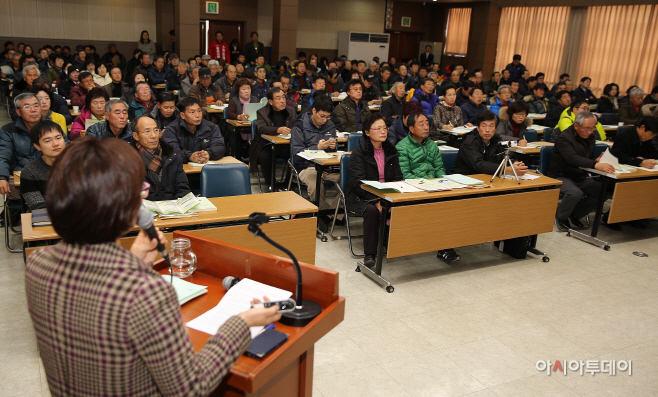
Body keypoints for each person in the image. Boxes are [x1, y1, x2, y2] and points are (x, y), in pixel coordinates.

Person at [26, 135, 280, 397]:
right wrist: (240, 323)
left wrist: (133, 263)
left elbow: (90, 308)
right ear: (124, 206)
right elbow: (190, 388)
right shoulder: (146, 292)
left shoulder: (38, 264)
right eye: (141, 190)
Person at [397, 112, 464, 263]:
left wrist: (442, 183)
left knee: (454, 204)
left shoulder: (432, 144)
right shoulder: (402, 147)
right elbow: (405, 175)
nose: (426, 127)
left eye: (427, 123)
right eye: (421, 124)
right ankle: (444, 248)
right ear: (411, 128)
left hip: (435, 187)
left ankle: (447, 246)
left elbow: (439, 169)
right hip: (415, 189)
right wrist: (428, 184)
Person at [346, 113, 403, 268]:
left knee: (403, 205)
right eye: (378, 128)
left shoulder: (391, 151)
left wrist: (392, 196)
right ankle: (370, 253)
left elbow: (398, 176)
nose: (383, 131)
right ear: (367, 132)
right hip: (362, 195)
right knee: (372, 211)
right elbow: (359, 183)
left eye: (384, 128)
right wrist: (376, 200)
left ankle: (394, 244)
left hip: (387, 193)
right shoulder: (359, 153)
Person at [547, 111, 615, 231]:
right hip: (560, 175)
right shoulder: (564, 138)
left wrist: (596, 160)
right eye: (587, 128)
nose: (590, 131)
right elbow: (572, 158)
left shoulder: (590, 137)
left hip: (579, 175)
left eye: (592, 128)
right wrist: (595, 165)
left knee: (605, 190)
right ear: (576, 126)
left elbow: (588, 158)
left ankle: (575, 213)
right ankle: (561, 216)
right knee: (575, 193)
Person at [292, 96, 340, 214]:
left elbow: (334, 150)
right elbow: (297, 153)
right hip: (307, 166)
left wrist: (333, 147)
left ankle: (335, 214)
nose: (325, 120)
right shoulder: (299, 125)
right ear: (314, 111)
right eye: (322, 116)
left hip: (328, 167)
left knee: (352, 179)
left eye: (328, 117)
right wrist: (317, 148)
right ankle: (322, 213)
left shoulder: (330, 125)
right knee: (315, 184)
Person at [452, 110, 528, 178]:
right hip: (464, 179)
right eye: (484, 126)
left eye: (491, 126)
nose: (487, 130)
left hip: (485, 177)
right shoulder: (469, 142)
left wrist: (515, 165)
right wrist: (507, 169)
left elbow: (504, 156)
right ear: (478, 128)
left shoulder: (495, 139)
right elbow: (479, 165)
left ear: (495, 128)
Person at [130, 114, 190, 200]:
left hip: (169, 209)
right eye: (147, 131)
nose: (153, 135)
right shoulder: (127, 159)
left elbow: (183, 189)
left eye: (156, 130)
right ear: (136, 136)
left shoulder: (172, 155)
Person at [0, 93, 43, 200]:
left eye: (36, 105)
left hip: (47, 175)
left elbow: (64, 151)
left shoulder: (52, 127)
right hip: (21, 177)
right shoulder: (8, 131)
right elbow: (3, 156)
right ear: (18, 111)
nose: (33, 110)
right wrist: (2, 177)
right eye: (27, 107)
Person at [252, 87, 296, 186]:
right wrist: (277, 130)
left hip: (286, 145)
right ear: (271, 102)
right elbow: (261, 128)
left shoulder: (291, 111)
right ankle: (271, 184)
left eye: (283, 98)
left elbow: (297, 126)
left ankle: (287, 184)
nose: (282, 101)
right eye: (278, 98)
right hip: (267, 145)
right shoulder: (262, 112)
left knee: (298, 153)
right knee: (264, 156)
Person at [163, 97, 225, 163]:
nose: (197, 115)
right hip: (181, 169)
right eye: (192, 112)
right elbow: (172, 152)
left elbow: (220, 147)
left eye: (199, 111)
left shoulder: (212, 127)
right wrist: (190, 156)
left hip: (206, 167)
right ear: (182, 115)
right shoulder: (171, 129)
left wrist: (208, 154)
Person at [20, 120, 65, 210]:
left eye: (58, 138)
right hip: (46, 219)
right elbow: (37, 206)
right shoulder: (30, 171)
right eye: (48, 141)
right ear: (37, 146)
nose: (55, 144)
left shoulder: (80, 165)